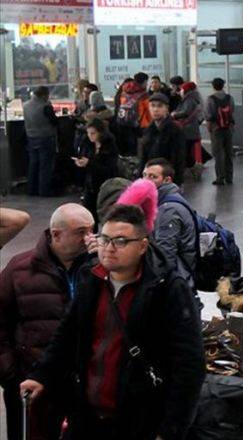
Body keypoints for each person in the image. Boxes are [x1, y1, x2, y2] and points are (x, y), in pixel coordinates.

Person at [19, 204, 205, 439]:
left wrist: (170, 430)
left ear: (143, 245)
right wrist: (41, 375)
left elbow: (189, 365)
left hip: (139, 421)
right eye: (105, 239)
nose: (109, 248)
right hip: (86, 416)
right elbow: (67, 335)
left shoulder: (166, 288)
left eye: (121, 241)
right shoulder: (91, 276)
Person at [1, 204, 95, 440]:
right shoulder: (19, 270)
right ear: (56, 234)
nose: (90, 238)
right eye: (81, 232)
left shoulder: (99, 268)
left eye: (92, 230)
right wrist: (11, 375)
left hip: (87, 382)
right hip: (32, 383)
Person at [137, 159, 198, 288]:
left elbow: (165, 254)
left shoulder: (168, 210)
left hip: (177, 284)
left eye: (153, 177)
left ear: (167, 180)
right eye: (144, 175)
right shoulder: (165, 202)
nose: (146, 181)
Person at [74, 118, 119, 219]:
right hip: (90, 185)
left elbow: (109, 169)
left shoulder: (109, 147)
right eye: (88, 133)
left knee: (105, 214)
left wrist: (89, 163)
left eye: (93, 133)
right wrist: (81, 163)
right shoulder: (88, 144)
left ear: (100, 133)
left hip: (105, 185)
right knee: (89, 214)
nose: (90, 136)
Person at [139, 93, 187, 185]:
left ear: (166, 108)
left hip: (167, 179)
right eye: (152, 106)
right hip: (150, 178)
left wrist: (176, 182)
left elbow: (179, 158)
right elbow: (143, 157)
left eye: (160, 106)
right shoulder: (148, 130)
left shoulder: (175, 130)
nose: (155, 109)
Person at [24, 86, 59, 197]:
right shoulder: (45, 106)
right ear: (44, 95)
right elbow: (54, 121)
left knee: (33, 164)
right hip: (45, 138)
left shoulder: (25, 105)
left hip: (31, 138)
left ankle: (31, 190)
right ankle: (44, 191)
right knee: (45, 166)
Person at [204, 77, 236, 185]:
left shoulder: (210, 99)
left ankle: (220, 178)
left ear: (213, 86)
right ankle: (229, 177)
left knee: (218, 154)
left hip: (216, 128)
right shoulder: (229, 98)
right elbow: (232, 111)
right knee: (228, 153)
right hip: (228, 128)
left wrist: (209, 128)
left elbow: (208, 116)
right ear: (223, 85)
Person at [171, 82, 204, 177]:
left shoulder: (189, 100)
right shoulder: (192, 98)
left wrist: (174, 114)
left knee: (184, 151)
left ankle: (195, 168)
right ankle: (193, 168)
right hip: (189, 130)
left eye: (181, 89)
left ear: (186, 90)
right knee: (186, 151)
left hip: (187, 130)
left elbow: (186, 112)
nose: (180, 91)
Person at [115, 72, 152, 156]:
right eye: (146, 82)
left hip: (122, 120)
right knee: (135, 146)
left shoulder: (124, 90)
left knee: (125, 144)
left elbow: (118, 103)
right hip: (137, 123)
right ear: (144, 82)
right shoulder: (143, 94)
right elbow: (147, 110)